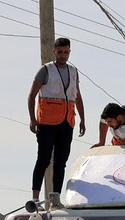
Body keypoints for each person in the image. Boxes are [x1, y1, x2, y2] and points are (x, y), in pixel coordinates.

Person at [28, 37, 86, 202]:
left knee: (61, 162)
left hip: (67, 122)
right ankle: (35, 198)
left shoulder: (73, 72)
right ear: (54, 52)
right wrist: (32, 119)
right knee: (43, 159)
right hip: (47, 123)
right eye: (60, 52)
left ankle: (55, 197)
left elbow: (77, 96)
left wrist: (82, 119)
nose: (63, 55)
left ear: (69, 52)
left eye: (66, 52)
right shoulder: (45, 70)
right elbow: (32, 96)